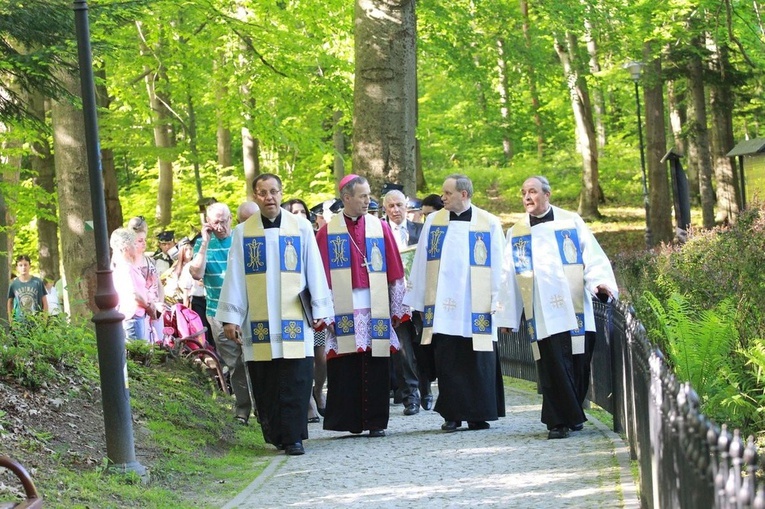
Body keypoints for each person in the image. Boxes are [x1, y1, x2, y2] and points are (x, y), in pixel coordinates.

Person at [217, 174, 333, 455]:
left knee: (296, 377)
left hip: (295, 317)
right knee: (266, 379)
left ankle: (294, 437)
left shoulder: (301, 227)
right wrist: (231, 317)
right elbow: (235, 276)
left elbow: (314, 268)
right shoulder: (244, 233)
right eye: (262, 192)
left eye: (273, 191)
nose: (269, 197)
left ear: (281, 193)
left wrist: (321, 309)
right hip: (259, 321)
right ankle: (275, 434)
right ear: (255, 196)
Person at [496, 176, 618, 439]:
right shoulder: (516, 232)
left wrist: (600, 284)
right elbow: (508, 276)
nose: (527, 197)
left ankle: (572, 415)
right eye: (523, 192)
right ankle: (558, 421)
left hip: (574, 306)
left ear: (547, 194)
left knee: (579, 363)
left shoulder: (570, 221)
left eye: (533, 191)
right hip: (541, 312)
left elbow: (592, 256)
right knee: (551, 366)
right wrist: (507, 314)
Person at [404, 174, 506, 432]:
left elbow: (500, 264)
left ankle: (479, 413)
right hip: (444, 303)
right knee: (447, 357)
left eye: (447, 193)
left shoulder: (489, 223)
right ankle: (452, 413)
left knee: (477, 358)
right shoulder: (434, 223)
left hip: (476, 303)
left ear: (464, 194)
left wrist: (499, 299)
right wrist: (417, 300)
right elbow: (422, 261)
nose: (442, 197)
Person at [315, 174, 407, 438]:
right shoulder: (327, 232)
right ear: (347, 198)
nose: (369, 200)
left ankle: (376, 421)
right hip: (343, 306)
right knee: (346, 365)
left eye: (369, 195)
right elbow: (320, 276)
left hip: (374, 303)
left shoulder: (380, 227)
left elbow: (395, 272)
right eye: (363, 196)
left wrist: (397, 306)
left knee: (376, 363)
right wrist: (325, 312)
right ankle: (350, 420)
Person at [188, 202, 253, 425]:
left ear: (231, 219)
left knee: (254, 359)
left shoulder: (241, 237)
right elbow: (196, 273)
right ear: (208, 222)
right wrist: (205, 243)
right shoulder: (202, 244)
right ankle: (243, 408)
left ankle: (262, 408)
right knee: (234, 362)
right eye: (216, 222)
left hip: (246, 309)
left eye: (224, 220)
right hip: (217, 311)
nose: (221, 226)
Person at [382, 189, 432, 415]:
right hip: (394, 299)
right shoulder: (380, 234)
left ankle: (425, 387)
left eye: (399, 205)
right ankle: (410, 395)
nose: (395, 210)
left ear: (407, 207)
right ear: (385, 209)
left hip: (419, 298)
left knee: (422, 346)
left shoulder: (420, 231)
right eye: (390, 206)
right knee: (402, 349)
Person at [285, 198, 327, 422]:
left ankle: (318, 390)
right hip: (293, 304)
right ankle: (309, 403)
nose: (299, 215)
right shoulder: (285, 236)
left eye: (303, 211)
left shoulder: (316, 235)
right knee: (303, 355)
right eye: (294, 212)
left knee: (320, 356)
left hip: (315, 302)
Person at [127, 216, 165, 342]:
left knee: (160, 344)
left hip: (156, 309)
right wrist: (150, 306)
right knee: (144, 345)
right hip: (140, 311)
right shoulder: (128, 264)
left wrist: (160, 303)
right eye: (139, 240)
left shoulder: (150, 260)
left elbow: (159, 285)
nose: (143, 243)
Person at [109, 228, 150, 340]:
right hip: (133, 316)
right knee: (137, 355)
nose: (136, 246)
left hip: (137, 315)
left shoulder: (127, 265)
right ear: (126, 247)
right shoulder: (125, 268)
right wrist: (148, 307)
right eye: (133, 243)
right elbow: (133, 294)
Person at [7, 255, 48, 325]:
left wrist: (44, 320)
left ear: (30, 266)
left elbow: (44, 302)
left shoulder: (37, 282)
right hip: (19, 323)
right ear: (17, 268)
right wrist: (11, 320)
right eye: (20, 265)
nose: (23, 267)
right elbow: (10, 302)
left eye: (25, 265)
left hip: (36, 322)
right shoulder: (14, 284)